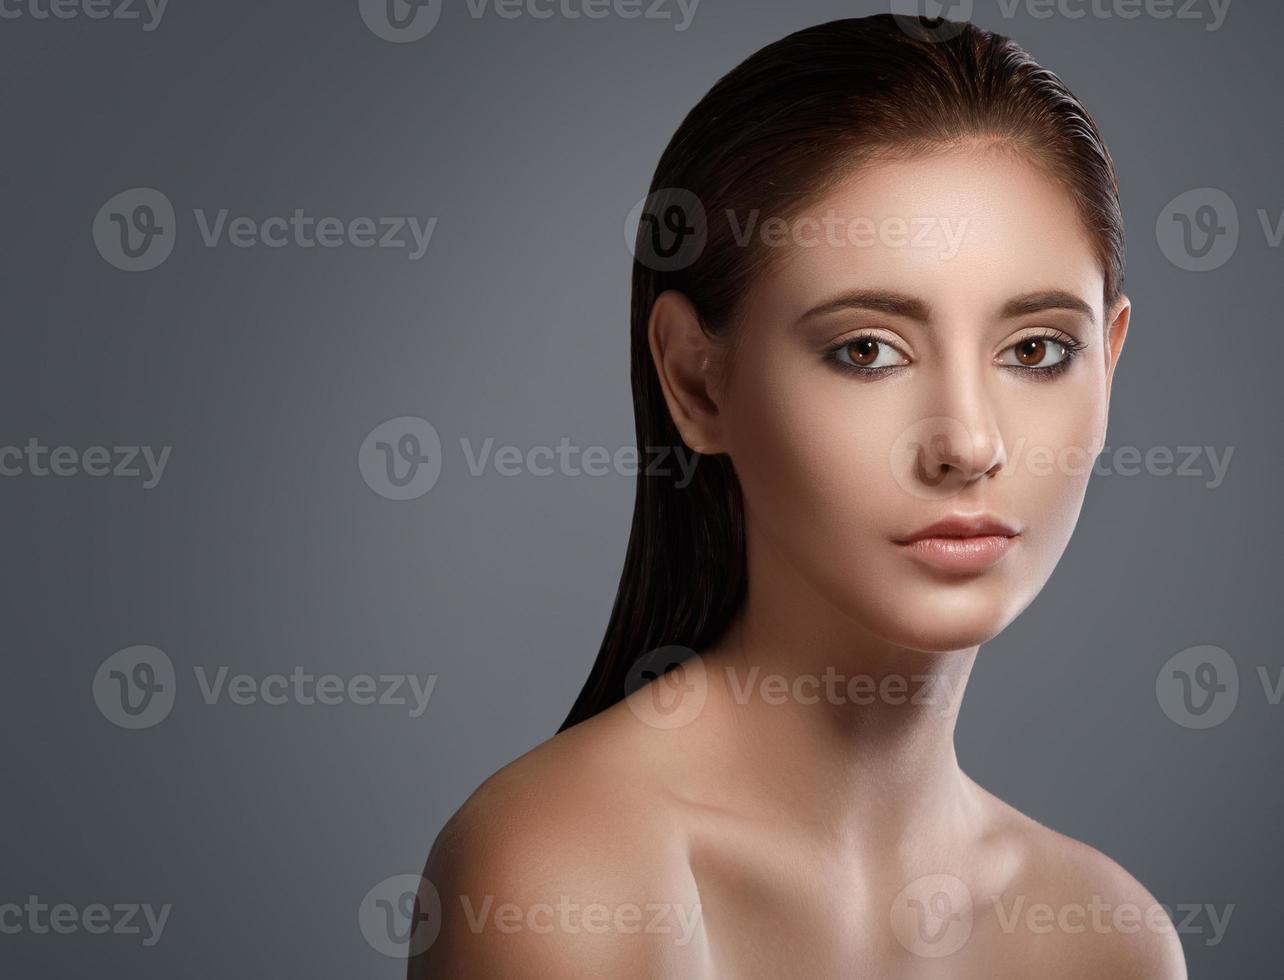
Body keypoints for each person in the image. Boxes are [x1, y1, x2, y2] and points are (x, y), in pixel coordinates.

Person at [409, 14, 1187, 977]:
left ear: (1107, 362)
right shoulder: (563, 879)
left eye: (1035, 350)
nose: (968, 443)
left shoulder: (1109, 938)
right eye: (867, 351)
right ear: (697, 381)